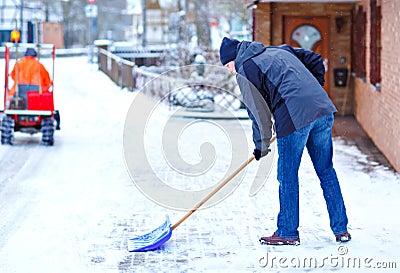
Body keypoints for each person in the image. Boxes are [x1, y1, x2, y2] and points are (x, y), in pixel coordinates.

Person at [219, 37, 351, 245]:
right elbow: (314, 59)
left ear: (234, 59)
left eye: (227, 65)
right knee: (326, 171)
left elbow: (258, 112)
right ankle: (341, 229)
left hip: (293, 117)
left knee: (287, 176)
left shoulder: (245, 69)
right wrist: (312, 91)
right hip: (322, 108)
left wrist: (260, 145)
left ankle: (288, 232)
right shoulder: (278, 50)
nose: (229, 71)